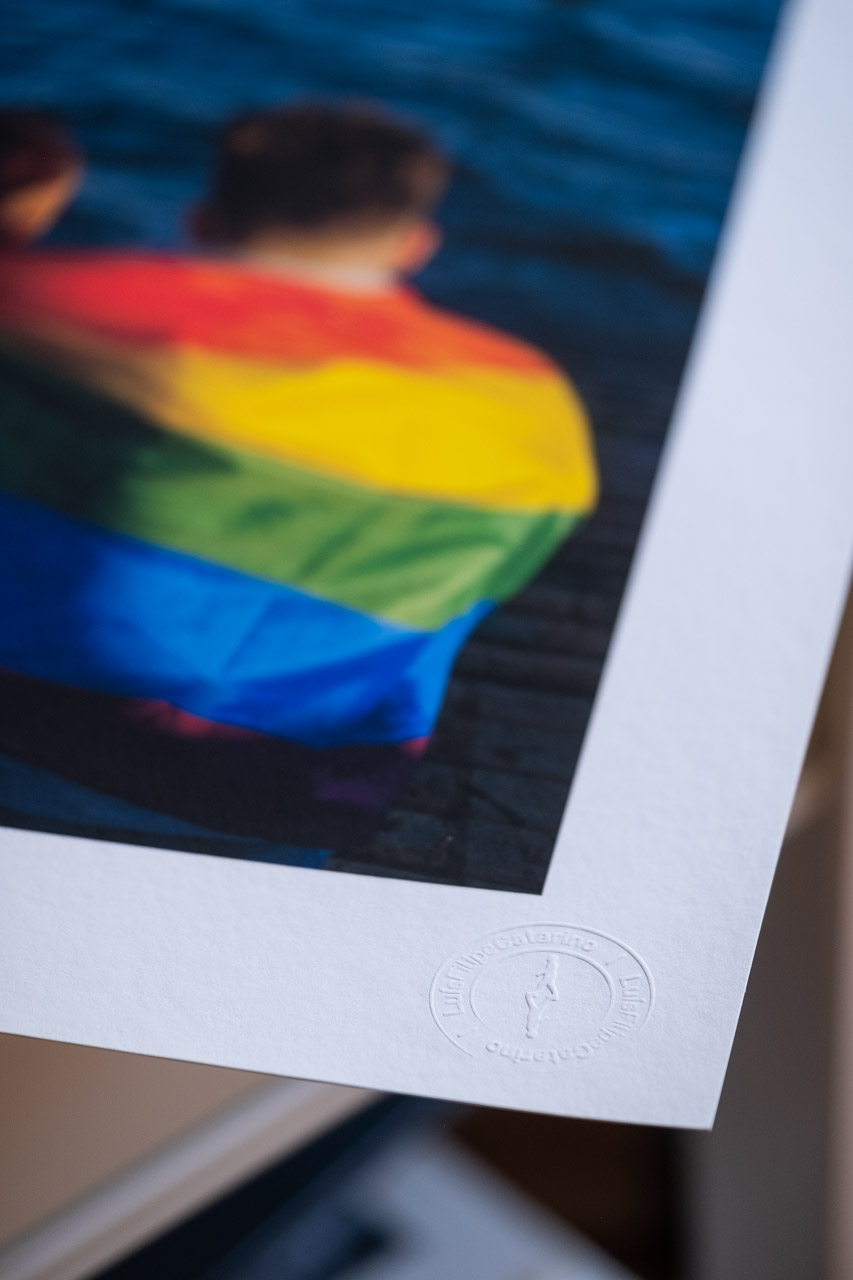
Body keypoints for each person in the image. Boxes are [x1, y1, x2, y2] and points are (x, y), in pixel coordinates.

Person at [0, 102, 597, 865]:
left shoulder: (39, 309)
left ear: (204, 217)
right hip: (276, 798)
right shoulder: (528, 402)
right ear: (416, 242)